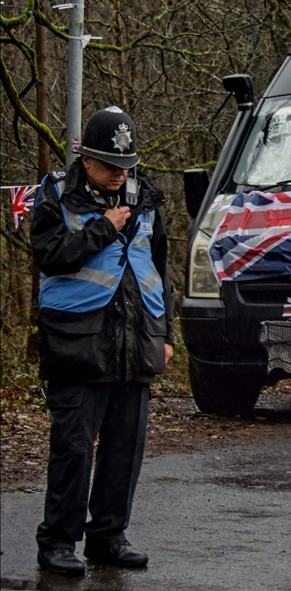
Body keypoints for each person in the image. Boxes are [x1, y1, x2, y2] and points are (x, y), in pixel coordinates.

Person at [31, 107, 175, 576]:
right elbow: (49, 256)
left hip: (136, 339)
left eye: (126, 165)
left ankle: (109, 537)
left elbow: (158, 268)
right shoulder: (55, 194)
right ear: (85, 158)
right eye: (110, 164)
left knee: (124, 448)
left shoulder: (147, 197)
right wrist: (104, 226)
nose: (120, 173)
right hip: (76, 342)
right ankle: (58, 542)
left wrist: (166, 333)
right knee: (73, 448)